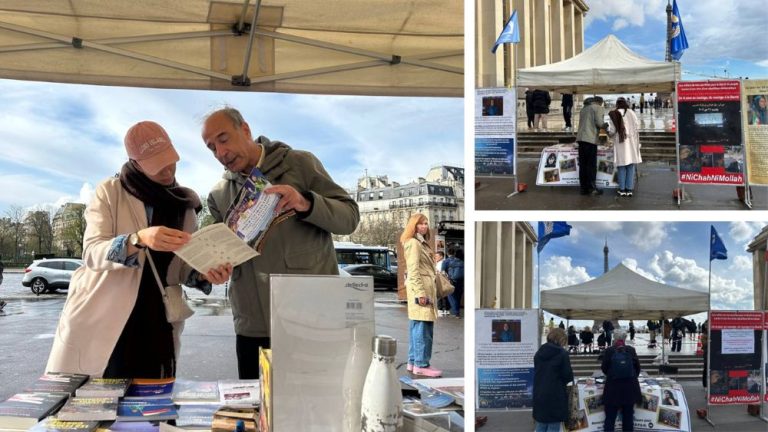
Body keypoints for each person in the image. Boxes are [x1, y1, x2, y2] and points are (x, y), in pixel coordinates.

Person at [46, 121, 229, 378]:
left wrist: (204, 274)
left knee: (156, 406)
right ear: (135, 162)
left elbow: (181, 268)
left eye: (171, 160)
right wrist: (137, 239)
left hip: (158, 321)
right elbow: (91, 253)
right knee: (102, 407)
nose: (167, 170)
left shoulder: (184, 203)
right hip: (107, 318)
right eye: (157, 165)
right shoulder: (110, 192)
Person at [202, 107, 360, 379]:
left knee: (316, 408)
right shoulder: (219, 194)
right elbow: (218, 252)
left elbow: (349, 218)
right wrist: (214, 268)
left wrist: (305, 202)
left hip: (310, 320)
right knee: (257, 412)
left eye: (223, 139)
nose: (220, 153)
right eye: (211, 147)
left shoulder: (300, 164)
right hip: (252, 327)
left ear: (246, 130)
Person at [402, 213, 441, 377]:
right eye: (420, 224)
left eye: (426, 223)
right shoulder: (414, 243)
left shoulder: (419, 243)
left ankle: (413, 362)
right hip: (421, 289)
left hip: (422, 288)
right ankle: (421, 364)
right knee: (423, 328)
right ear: (414, 226)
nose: (424, 226)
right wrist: (420, 293)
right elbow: (413, 270)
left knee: (417, 326)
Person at [533, 328, 574, 432]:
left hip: (539, 392)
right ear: (561, 339)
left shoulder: (539, 352)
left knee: (541, 425)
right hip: (555, 394)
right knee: (553, 426)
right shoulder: (562, 354)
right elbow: (567, 375)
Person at [601, 329, 641, 432]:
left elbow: (604, 368)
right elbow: (638, 368)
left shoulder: (609, 350)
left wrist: (611, 375)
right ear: (625, 338)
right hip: (629, 388)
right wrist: (631, 377)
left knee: (610, 418)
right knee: (628, 417)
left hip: (613, 389)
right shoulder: (631, 350)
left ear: (614, 338)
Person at [608, 97, 642, 197]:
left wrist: (608, 133)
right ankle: (629, 189)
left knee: (621, 166)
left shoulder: (614, 113)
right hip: (631, 142)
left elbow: (612, 131)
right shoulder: (632, 113)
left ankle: (622, 189)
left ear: (617, 104)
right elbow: (637, 127)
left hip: (620, 143)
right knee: (630, 166)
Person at [576, 96, 607, 195]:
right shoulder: (598, 108)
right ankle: (592, 188)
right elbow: (599, 123)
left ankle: (583, 188)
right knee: (591, 165)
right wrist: (605, 125)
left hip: (581, 139)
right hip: (590, 139)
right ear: (600, 102)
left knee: (583, 165)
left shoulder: (584, 109)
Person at [444, 248, 464, 318]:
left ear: (447, 253)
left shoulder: (446, 261)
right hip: (461, 281)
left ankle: (456, 313)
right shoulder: (461, 261)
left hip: (451, 281)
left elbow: (442, 272)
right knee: (458, 297)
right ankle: (456, 311)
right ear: (454, 254)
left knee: (451, 296)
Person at [434, 251, 449, 317]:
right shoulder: (443, 262)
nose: (435, 257)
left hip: (441, 280)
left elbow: (440, 272)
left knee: (439, 295)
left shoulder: (441, 263)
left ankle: (440, 310)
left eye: (437, 256)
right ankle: (445, 310)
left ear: (441, 256)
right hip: (443, 280)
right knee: (444, 295)